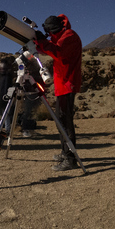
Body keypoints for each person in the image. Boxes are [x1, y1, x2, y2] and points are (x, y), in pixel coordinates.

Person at [34, 14, 82, 171]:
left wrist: (42, 41)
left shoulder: (70, 36)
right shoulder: (61, 36)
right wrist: (38, 42)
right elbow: (48, 48)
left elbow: (58, 52)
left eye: (50, 32)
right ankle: (65, 151)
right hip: (62, 85)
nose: (50, 35)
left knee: (66, 122)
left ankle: (71, 159)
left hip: (68, 84)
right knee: (60, 120)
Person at [0, 58, 14, 134]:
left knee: (5, 113)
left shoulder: (8, 76)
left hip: (5, 96)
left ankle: (7, 129)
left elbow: (7, 87)